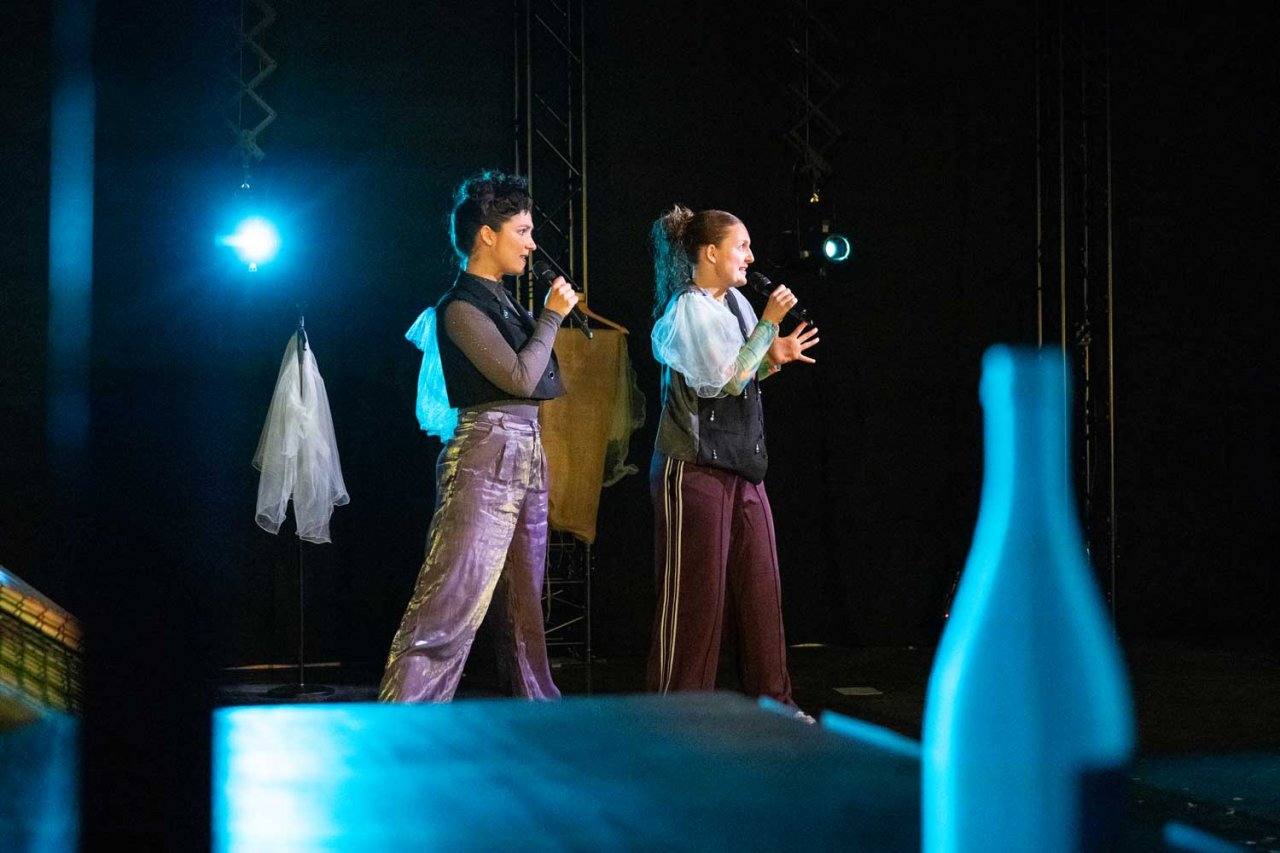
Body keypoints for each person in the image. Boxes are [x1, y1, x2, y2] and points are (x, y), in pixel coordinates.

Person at [380, 170, 578, 703]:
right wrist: (552, 317)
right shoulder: (460, 307)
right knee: (449, 601)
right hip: (485, 453)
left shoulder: (502, 300)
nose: (531, 244)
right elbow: (520, 377)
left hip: (525, 448)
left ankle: (537, 714)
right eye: (523, 231)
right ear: (487, 235)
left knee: (523, 608)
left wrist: (543, 320)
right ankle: (405, 723)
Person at [646, 205, 819, 716]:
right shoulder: (689, 309)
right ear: (710, 253)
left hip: (742, 465)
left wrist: (773, 356)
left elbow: (743, 372)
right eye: (741, 246)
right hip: (694, 467)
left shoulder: (737, 304)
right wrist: (768, 328)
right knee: (696, 601)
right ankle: (679, 716)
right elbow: (724, 380)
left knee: (761, 592)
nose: (750, 255)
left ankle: (775, 705)